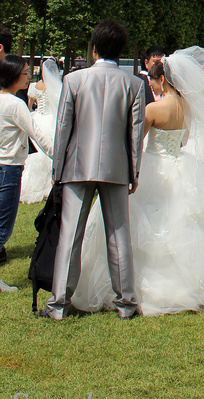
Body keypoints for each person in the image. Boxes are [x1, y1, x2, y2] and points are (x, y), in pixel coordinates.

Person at [71, 51, 204, 315]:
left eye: (154, 83)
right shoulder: (187, 106)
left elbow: (136, 143)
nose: (152, 87)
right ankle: (192, 284)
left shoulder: (153, 108)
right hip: (181, 166)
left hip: (155, 165)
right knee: (186, 224)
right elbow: (184, 140)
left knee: (139, 226)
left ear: (163, 80)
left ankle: (134, 286)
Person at [44, 20, 145, 320]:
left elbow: (63, 128)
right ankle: (126, 303)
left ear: (94, 49)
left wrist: (56, 169)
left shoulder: (74, 80)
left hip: (77, 165)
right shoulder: (134, 84)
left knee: (70, 235)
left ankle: (59, 304)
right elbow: (135, 135)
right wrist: (134, 172)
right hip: (116, 167)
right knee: (119, 236)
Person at [1, 55, 54, 292]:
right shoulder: (14, 105)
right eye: (24, 73)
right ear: (13, 76)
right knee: (3, 227)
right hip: (8, 170)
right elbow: (37, 135)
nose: (28, 77)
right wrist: (60, 156)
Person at [21, 58, 62, 204]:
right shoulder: (58, 86)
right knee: (49, 148)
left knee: (37, 152)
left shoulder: (34, 86)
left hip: (39, 117)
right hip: (51, 119)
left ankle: (30, 184)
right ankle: (49, 183)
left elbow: (30, 104)